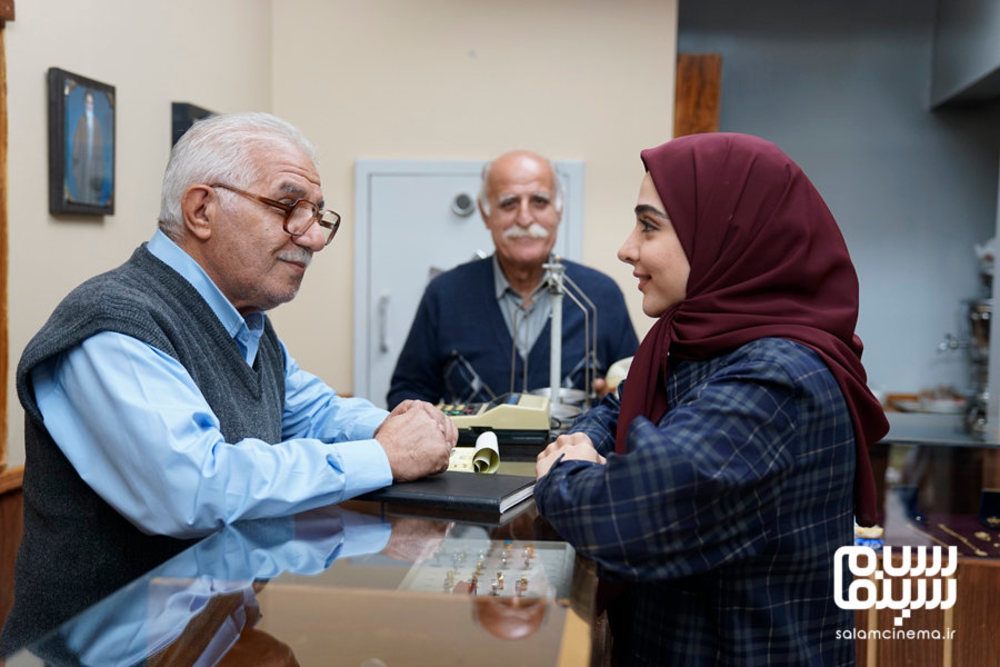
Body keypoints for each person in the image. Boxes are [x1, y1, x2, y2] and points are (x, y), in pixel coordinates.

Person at [1, 112, 456, 653]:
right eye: (289, 208)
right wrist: (383, 456)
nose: (312, 237)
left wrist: (401, 427)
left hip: (209, 641)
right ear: (201, 210)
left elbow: (312, 413)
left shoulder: (245, 320)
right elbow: (194, 489)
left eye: (316, 215)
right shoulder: (111, 324)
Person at [533, 133, 888, 665]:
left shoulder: (777, 381)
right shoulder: (699, 343)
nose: (626, 247)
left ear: (727, 234)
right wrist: (588, 447)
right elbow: (621, 408)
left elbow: (628, 518)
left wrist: (563, 473)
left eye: (649, 226)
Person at [387, 149, 639, 409]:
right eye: (509, 203)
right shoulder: (444, 294)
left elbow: (640, 392)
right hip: (473, 451)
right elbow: (407, 392)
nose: (525, 218)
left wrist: (612, 400)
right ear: (486, 215)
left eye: (539, 202)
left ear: (559, 211)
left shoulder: (601, 296)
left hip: (574, 450)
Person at [70, 89, 107, 205]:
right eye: (87, 102)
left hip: (94, 166)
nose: (89, 105)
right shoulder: (81, 121)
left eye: (91, 103)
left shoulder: (96, 123)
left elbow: (99, 149)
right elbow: (76, 146)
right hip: (83, 165)